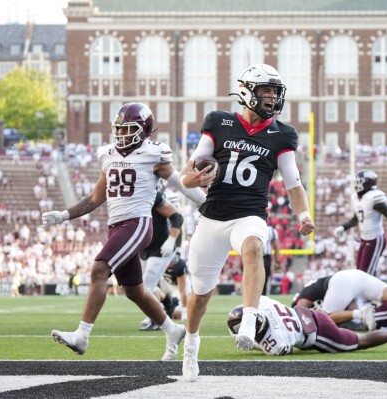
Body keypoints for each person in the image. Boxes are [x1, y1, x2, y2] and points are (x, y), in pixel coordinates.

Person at [179, 63, 315, 382]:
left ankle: (251, 320)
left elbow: (293, 184)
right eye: (265, 90)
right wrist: (193, 177)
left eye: (274, 91)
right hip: (213, 217)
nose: (271, 97)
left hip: (250, 214)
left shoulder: (283, 134)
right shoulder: (219, 122)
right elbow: (187, 174)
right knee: (200, 295)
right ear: (246, 91)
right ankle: (190, 348)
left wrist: (304, 215)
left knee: (254, 247)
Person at [43, 102, 207, 361]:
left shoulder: (154, 155)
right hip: (116, 226)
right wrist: (64, 215)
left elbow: (181, 184)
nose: (122, 134)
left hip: (138, 223)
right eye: (119, 129)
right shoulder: (108, 154)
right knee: (134, 290)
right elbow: (96, 198)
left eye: (128, 128)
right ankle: (171, 329)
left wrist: (207, 203)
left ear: (144, 130)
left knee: (99, 270)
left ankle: (82, 335)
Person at [227, 295, 387, 355]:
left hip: (318, 335)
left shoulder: (275, 343)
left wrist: (252, 343)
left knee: (362, 341)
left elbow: (285, 351)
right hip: (312, 315)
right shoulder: (261, 302)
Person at [291, 269, 387, 331]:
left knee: (325, 319)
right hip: (354, 275)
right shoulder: (319, 289)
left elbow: (301, 309)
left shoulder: (304, 296)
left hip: (342, 283)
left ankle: (361, 314)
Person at [333, 170, 387, 277]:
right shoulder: (356, 198)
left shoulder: (373, 197)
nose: (357, 184)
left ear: (368, 183)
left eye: (360, 182)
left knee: (364, 275)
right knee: (360, 271)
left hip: (375, 239)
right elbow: (357, 218)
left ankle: (376, 293)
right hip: (364, 239)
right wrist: (344, 227)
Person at [139, 190, 184, 331]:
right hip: (145, 248)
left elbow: (177, 218)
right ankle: (168, 302)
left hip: (161, 247)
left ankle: (157, 319)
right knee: (141, 287)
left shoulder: (154, 196)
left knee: (146, 288)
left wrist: (171, 240)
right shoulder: (131, 198)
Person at [262, 225, 280, 295]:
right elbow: (276, 247)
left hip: (266, 256)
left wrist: (277, 261)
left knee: (265, 278)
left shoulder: (271, 230)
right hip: (256, 256)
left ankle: (263, 295)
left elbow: (276, 246)